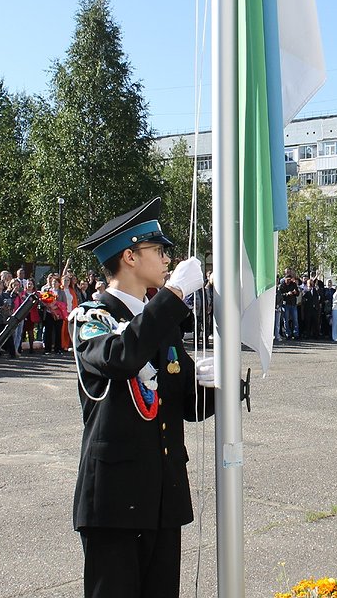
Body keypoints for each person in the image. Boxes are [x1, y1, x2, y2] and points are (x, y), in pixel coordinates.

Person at [69, 197, 215, 598]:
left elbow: (184, 407)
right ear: (130, 257)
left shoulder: (159, 321)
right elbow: (120, 356)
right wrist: (173, 295)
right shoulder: (91, 316)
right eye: (158, 250)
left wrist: (216, 387)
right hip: (114, 502)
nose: (167, 258)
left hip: (162, 497)